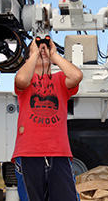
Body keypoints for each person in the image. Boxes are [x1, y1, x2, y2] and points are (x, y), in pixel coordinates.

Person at [12, 36, 83, 201]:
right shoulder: (27, 81)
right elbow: (21, 80)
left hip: (59, 153)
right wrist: (34, 54)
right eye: (37, 51)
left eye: (44, 50)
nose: (42, 52)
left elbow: (77, 76)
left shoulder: (59, 81)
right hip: (29, 153)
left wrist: (54, 55)